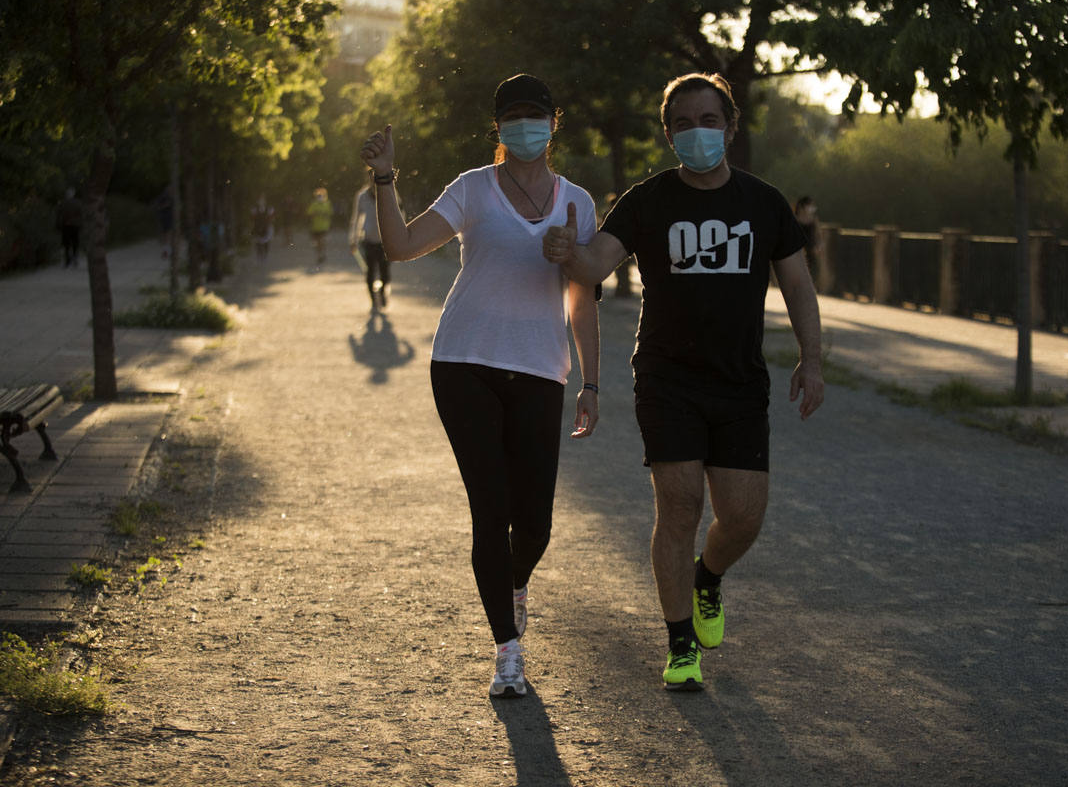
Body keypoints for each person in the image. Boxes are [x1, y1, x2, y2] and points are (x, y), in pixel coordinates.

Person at [543, 72, 825, 691]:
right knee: (679, 505)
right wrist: (567, 248)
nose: (697, 133)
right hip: (667, 378)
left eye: (708, 121)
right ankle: (679, 645)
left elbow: (798, 285)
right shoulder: (648, 202)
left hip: (739, 383)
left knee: (744, 516)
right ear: (668, 134)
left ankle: (708, 577)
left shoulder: (764, 203)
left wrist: (813, 357)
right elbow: (595, 263)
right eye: (683, 124)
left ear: (729, 127)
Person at [359, 74, 600, 699]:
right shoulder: (473, 189)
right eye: (513, 116)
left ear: (555, 122)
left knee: (536, 524)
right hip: (464, 363)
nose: (525, 125)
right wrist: (384, 180)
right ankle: (507, 652)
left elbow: (583, 298)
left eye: (536, 115)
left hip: (542, 369)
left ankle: (514, 583)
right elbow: (401, 244)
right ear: (498, 127)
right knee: (490, 512)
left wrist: (592, 380)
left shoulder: (578, 202)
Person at [348, 170, 390, 312]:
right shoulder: (362, 196)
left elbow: (400, 213)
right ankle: (373, 300)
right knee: (370, 272)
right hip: (368, 240)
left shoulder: (389, 192)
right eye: (372, 178)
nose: (374, 181)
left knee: (385, 273)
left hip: (385, 241)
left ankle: (383, 293)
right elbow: (356, 218)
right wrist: (352, 238)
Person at [55, 187, 85, 268]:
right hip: (75, 225)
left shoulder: (62, 203)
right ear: (73, 194)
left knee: (66, 243)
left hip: (66, 225)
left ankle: (67, 260)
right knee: (75, 242)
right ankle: (75, 258)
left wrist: (58, 224)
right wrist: (81, 223)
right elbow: (81, 214)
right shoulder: (78, 203)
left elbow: (59, 214)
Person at [306, 187, 333, 270]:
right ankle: (320, 254)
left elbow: (330, 213)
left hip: (324, 226)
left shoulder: (327, 203)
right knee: (317, 243)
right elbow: (309, 213)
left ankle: (322, 254)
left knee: (321, 241)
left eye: (321, 195)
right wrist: (315, 214)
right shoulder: (314, 204)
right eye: (318, 195)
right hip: (315, 227)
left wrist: (324, 214)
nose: (320, 196)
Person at [794, 195, 822, 275]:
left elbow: (817, 233)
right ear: (802, 206)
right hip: (798, 251)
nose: (812, 208)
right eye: (810, 205)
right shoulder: (795, 220)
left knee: (811, 271)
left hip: (810, 250)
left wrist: (818, 245)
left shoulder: (813, 220)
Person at [251, 194, 275, 262]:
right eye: (260, 200)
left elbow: (271, 218)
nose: (261, 201)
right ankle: (259, 255)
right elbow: (253, 218)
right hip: (257, 226)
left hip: (267, 226)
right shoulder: (254, 208)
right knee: (258, 241)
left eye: (262, 200)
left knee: (266, 241)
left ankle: (265, 255)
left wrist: (267, 223)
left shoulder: (269, 208)